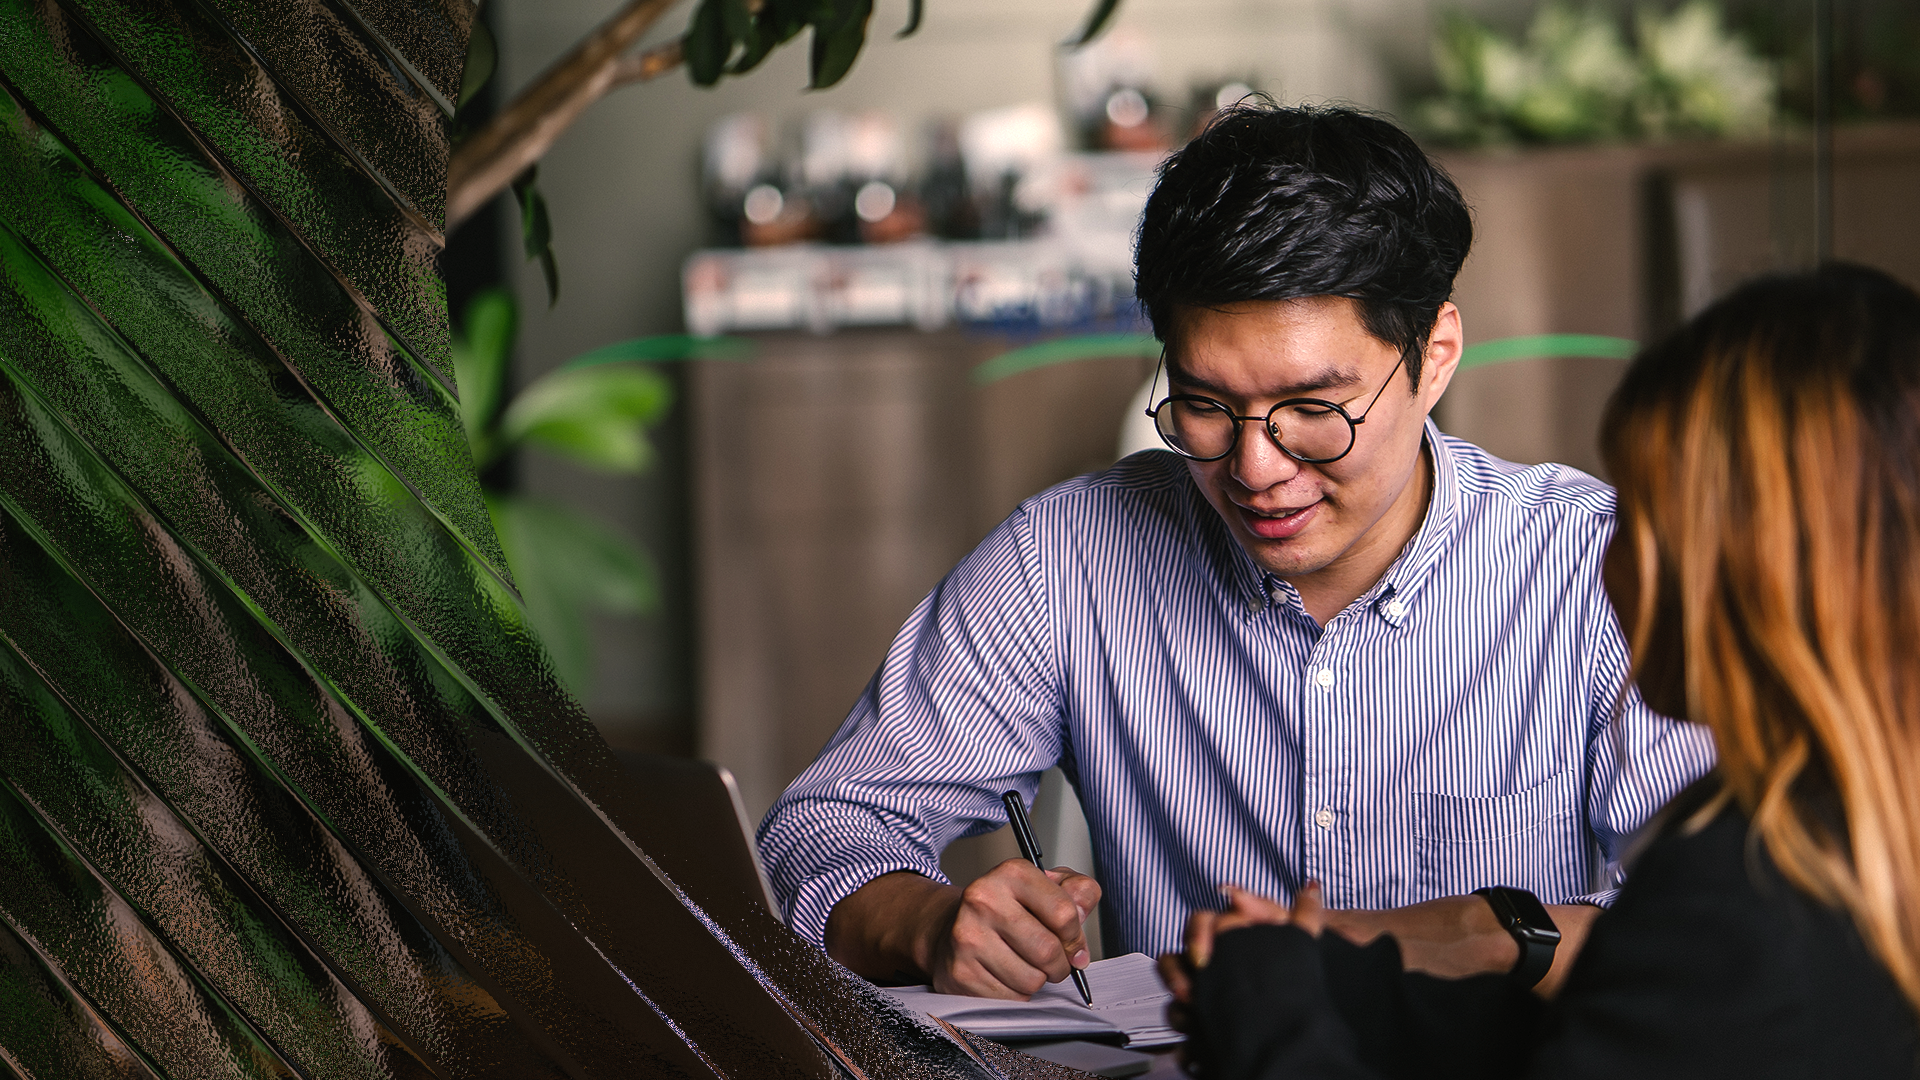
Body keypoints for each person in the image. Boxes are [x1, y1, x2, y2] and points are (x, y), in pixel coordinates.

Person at [755, 103, 1715, 1000]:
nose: (1255, 468)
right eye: (1205, 407)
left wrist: (1449, 944)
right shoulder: (1069, 557)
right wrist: (928, 925)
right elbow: (824, 829)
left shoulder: (1594, 568)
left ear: (1434, 358)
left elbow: (1726, 918)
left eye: (1312, 410)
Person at [1167, 263, 1920, 1079]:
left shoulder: (1742, 898)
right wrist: (1336, 979)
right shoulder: (1835, 848)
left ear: (1752, 565)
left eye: (1641, 518)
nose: (1609, 565)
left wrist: (1268, 1008)